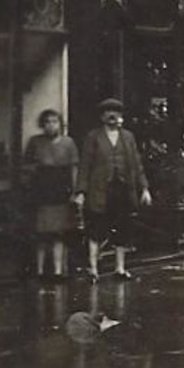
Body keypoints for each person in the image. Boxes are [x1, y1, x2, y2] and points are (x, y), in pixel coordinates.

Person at [77, 99, 151, 281]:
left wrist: (144, 188)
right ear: (102, 117)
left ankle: (120, 268)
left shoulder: (128, 137)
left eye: (116, 112)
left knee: (122, 228)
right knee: (95, 228)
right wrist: (81, 192)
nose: (112, 116)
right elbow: (85, 166)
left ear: (120, 116)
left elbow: (136, 164)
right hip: (100, 190)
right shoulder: (93, 137)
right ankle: (93, 269)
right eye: (108, 112)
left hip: (122, 189)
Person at [24, 108, 78, 281]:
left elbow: (74, 168)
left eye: (54, 121)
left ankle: (57, 271)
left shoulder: (68, 143)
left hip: (61, 190)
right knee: (41, 233)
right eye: (47, 122)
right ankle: (39, 271)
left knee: (59, 233)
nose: (51, 125)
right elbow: (27, 167)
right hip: (41, 190)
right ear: (42, 124)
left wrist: (75, 191)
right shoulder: (35, 142)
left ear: (60, 124)